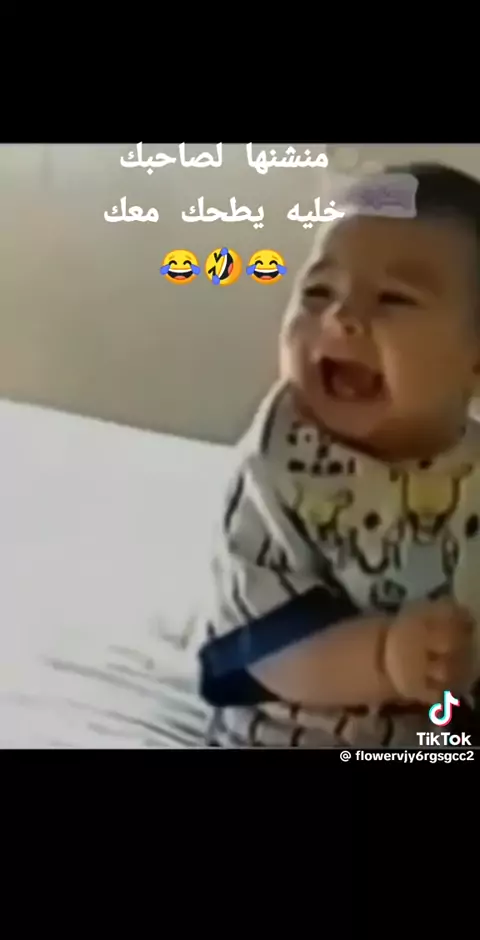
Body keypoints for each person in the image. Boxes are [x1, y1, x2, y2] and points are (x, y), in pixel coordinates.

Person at [198, 162, 480, 747]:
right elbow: (259, 651)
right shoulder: (278, 469)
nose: (341, 317)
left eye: (394, 299)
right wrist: (384, 657)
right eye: (317, 291)